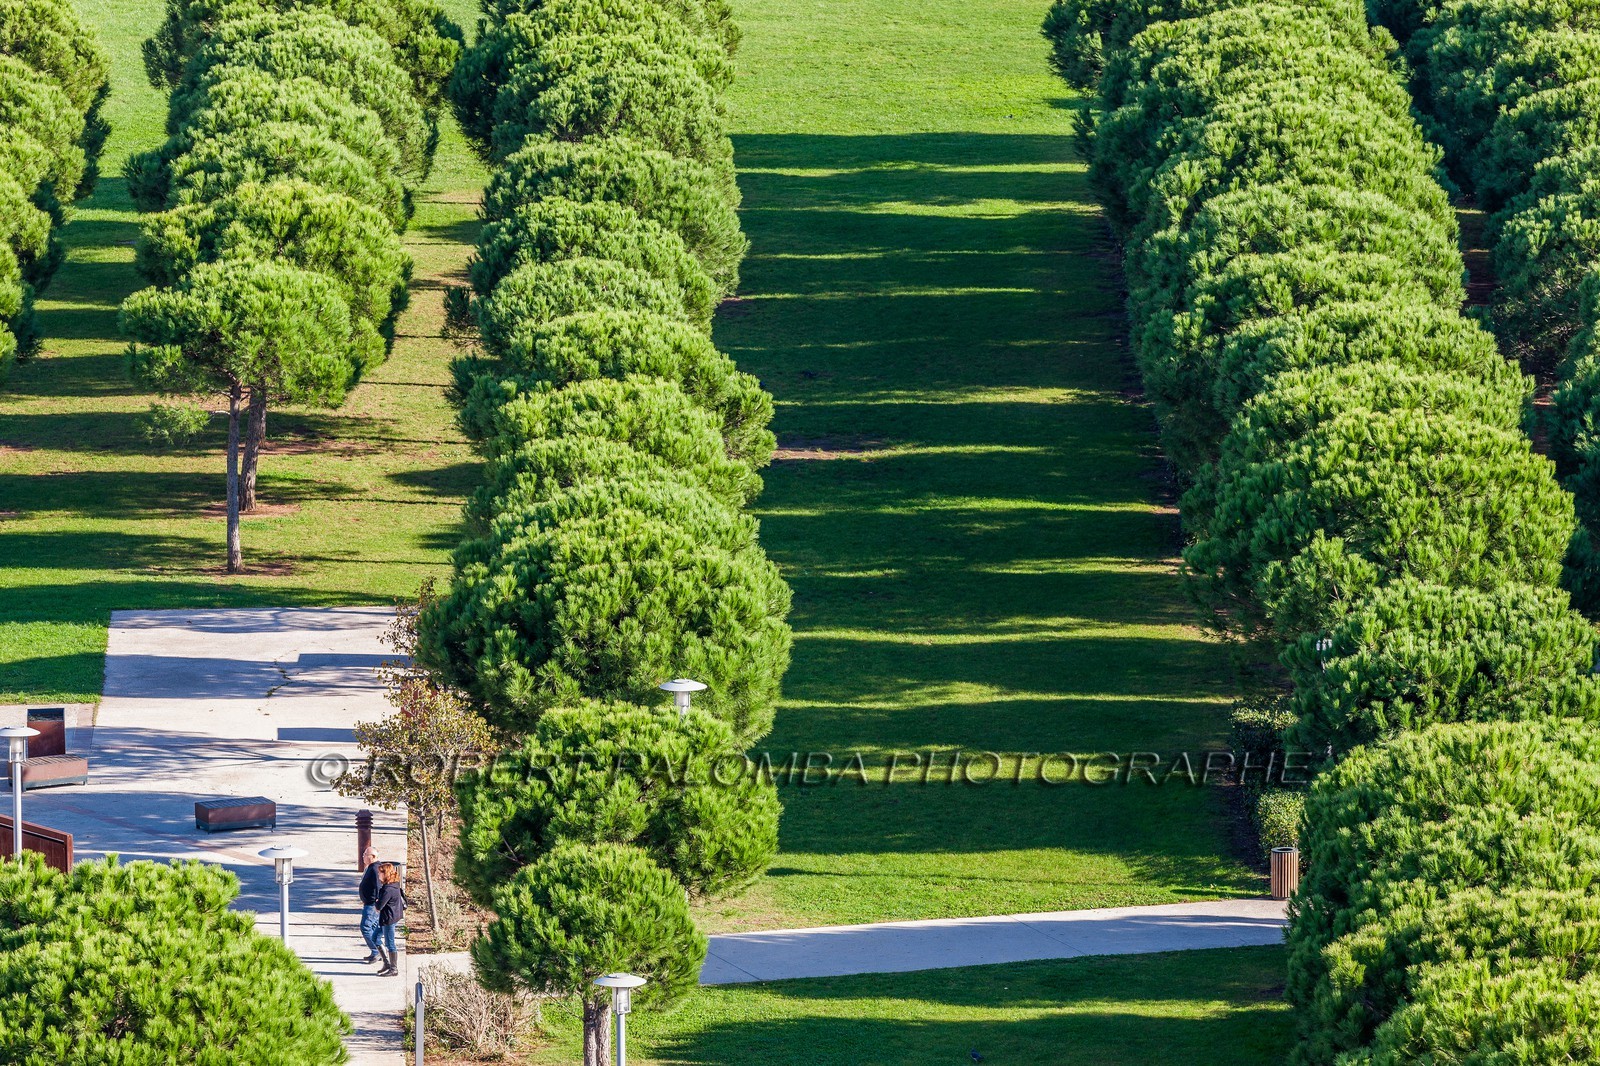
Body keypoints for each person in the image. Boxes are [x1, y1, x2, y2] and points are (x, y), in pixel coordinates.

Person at [374, 861, 406, 977]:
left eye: (380, 873)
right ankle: (386, 963)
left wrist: (377, 902)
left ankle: (394, 968)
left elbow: (378, 907)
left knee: (390, 943)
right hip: (389, 917)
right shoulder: (394, 884)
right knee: (375, 937)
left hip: (388, 919)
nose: (378, 875)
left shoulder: (388, 889)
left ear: (385, 874)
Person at [357, 846, 380, 964]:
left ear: (373, 857)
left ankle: (377, 951)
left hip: (372, 905)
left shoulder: (375, 869)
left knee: (365, 927)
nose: (363, 856)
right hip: (369, 903)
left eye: (366, 854)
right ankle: (375, 951)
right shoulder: (371, 867)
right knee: (372, 928)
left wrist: (378, 902)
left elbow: (378, 886)